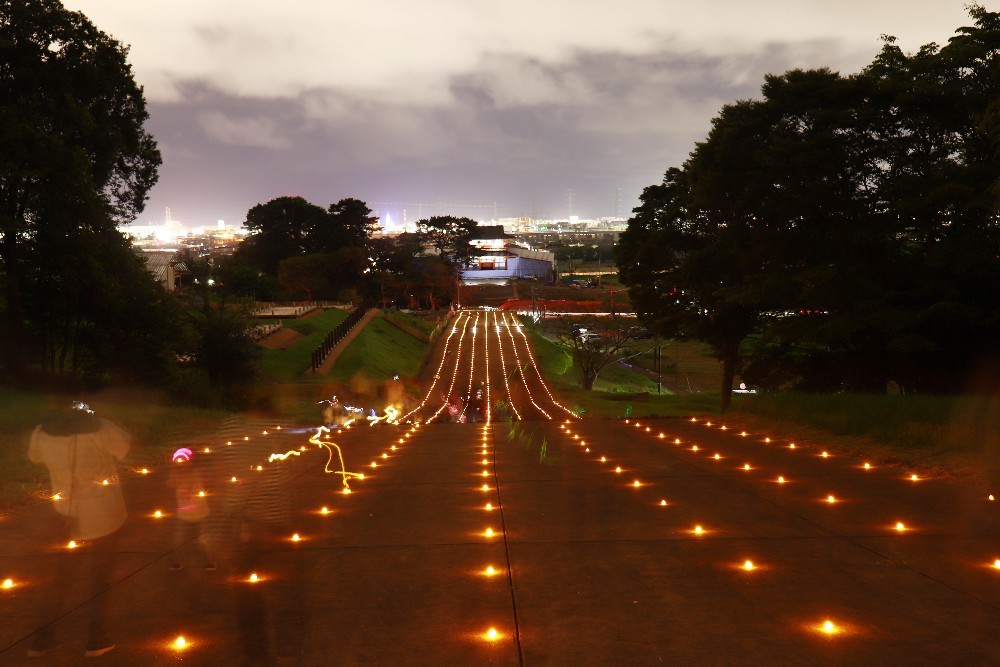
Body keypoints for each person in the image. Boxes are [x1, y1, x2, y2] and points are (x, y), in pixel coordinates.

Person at [26, 399, 131, 658]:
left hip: (66, 515)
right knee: (101, 576)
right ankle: (96, 638)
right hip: (104, 515)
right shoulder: (100, 428)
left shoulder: (42, 431)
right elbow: (128, 447)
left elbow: (34, 457)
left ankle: (42, 639)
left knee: (62, 578)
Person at [166, 447, 215, 571]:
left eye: (185, 462)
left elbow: (208, 481)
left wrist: (206, 479)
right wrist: (172, 475)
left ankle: (210, 560)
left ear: (191, 463)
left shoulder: (197, 473)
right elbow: (170, 485)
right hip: (183, 515)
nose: (182, 466)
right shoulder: (175, 475)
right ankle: (178, 560)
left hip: (201, 513)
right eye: (178, 463)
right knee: (178, 539)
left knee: (205, 540)